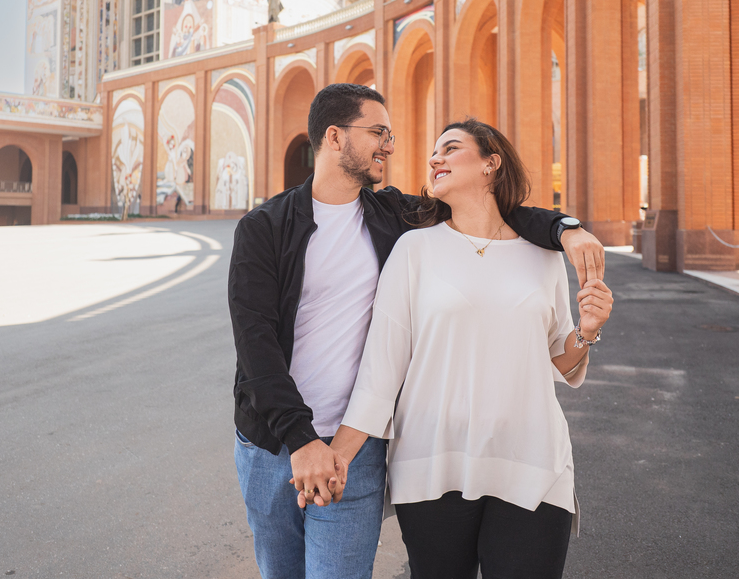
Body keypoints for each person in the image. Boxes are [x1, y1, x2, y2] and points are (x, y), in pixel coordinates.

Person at [228, 85, 607, 579]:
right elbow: (255, 348)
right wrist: (302, 442)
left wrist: (566, 228)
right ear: (335, 136)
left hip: (356, 444)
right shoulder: (265, 227)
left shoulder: (393, 216)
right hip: (274, 444)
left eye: (391, 134)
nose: (390, 144)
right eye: (378, 132)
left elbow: (495, 215)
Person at [328, 118, 614, 579]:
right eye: (433, 152)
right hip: (433, 464)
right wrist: (335, 455)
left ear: (490, 164)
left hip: (533, 463)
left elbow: (559, 361)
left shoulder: (543, 255)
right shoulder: (413, 250)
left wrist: (588, 330)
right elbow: (381, 370)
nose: (434, 158)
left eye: (451, 148)